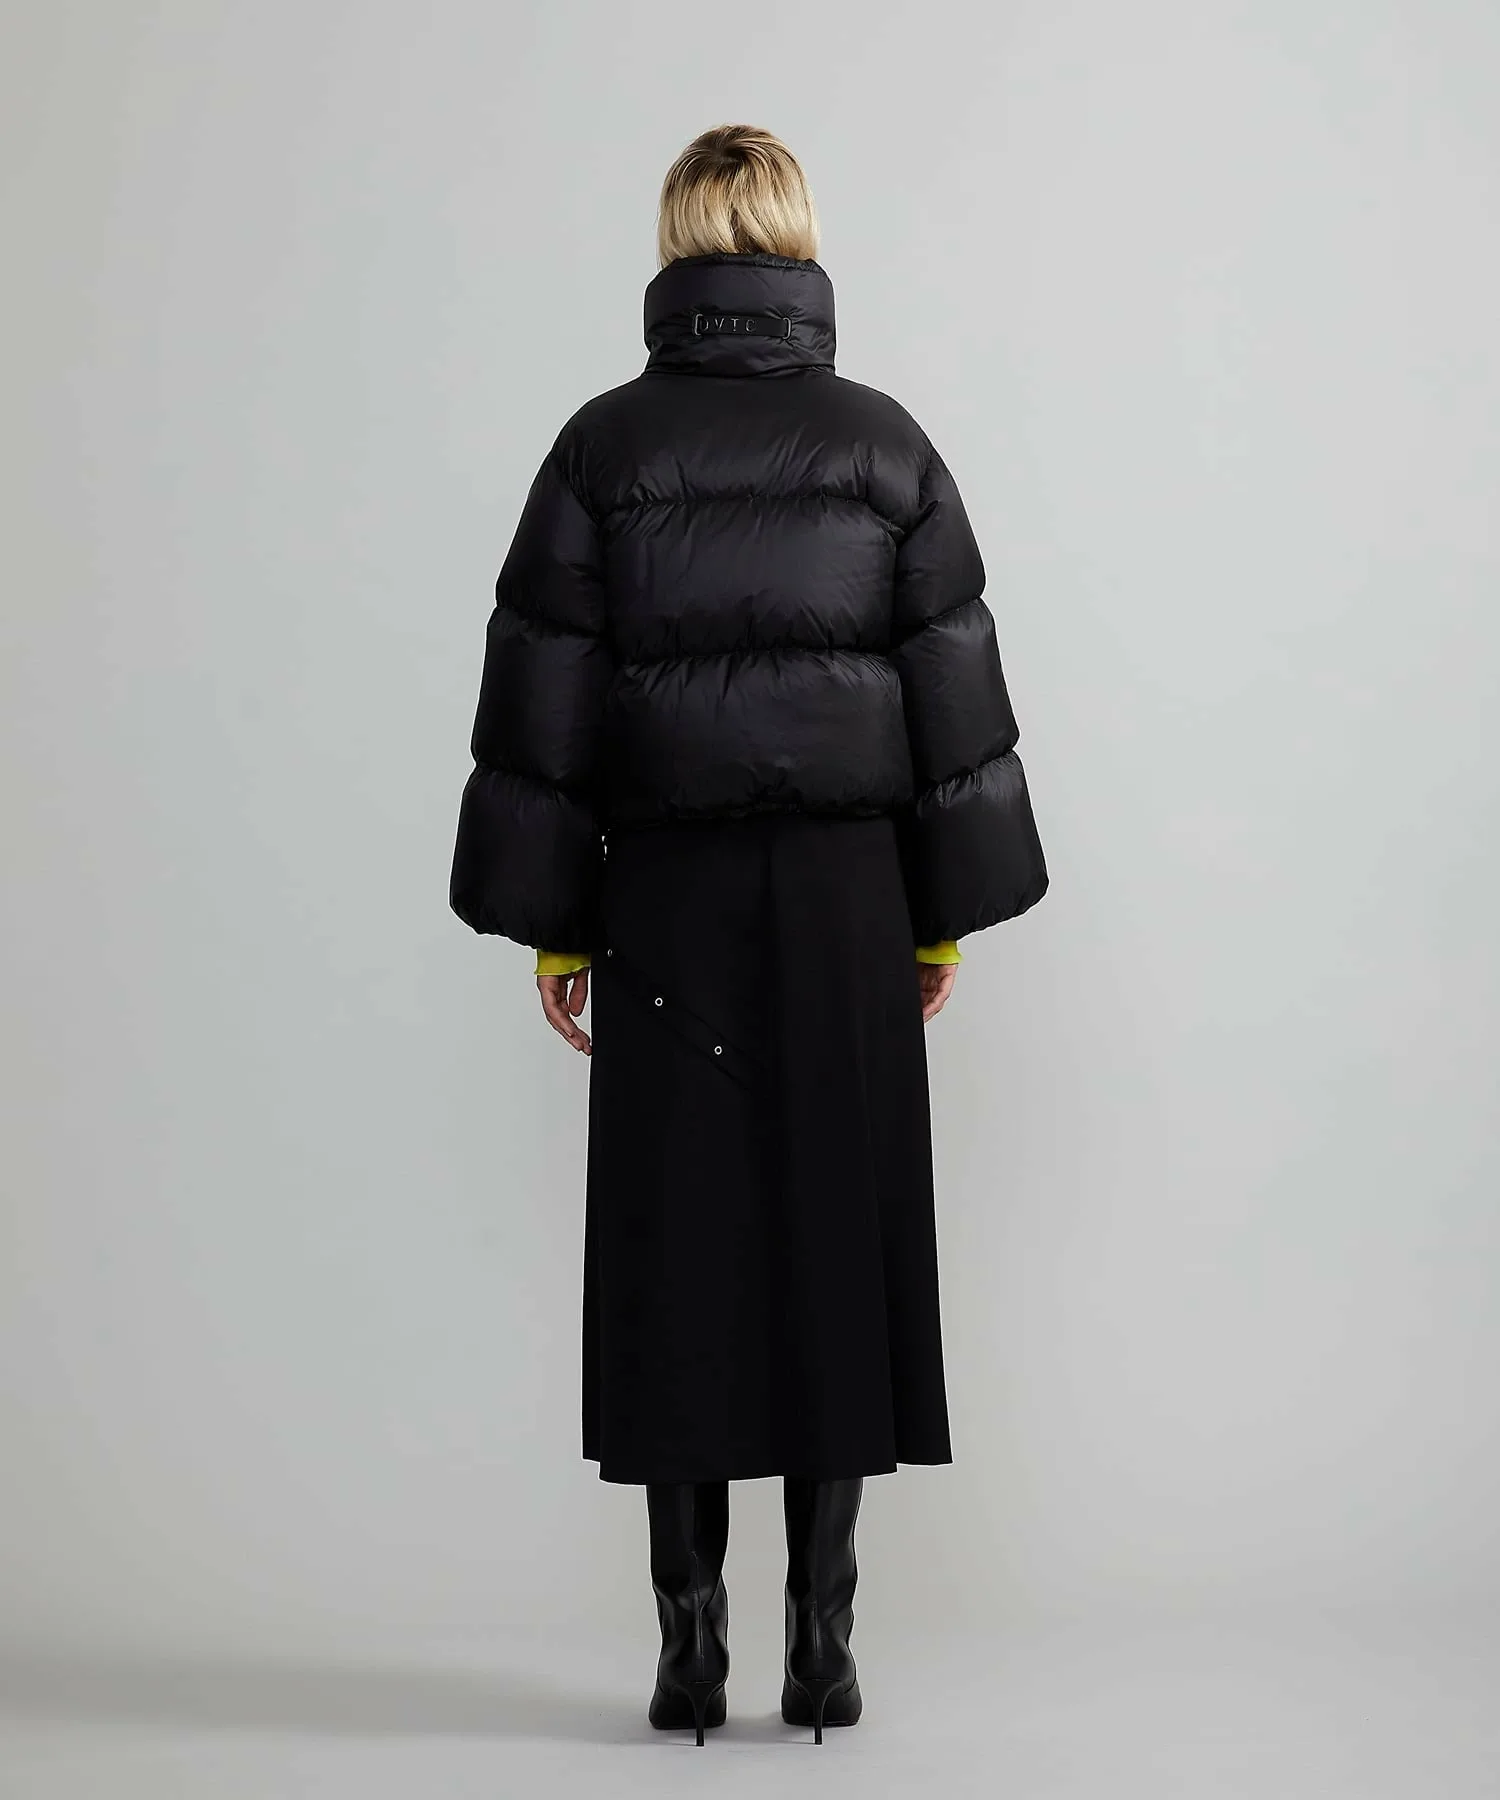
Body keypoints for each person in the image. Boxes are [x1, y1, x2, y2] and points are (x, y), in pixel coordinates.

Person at [449, 124, 1049, 1745]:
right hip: (853, 895)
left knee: (680, 1252)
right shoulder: (887, 447)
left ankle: (687, 1650)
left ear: (674, 248)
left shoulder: (600, 449)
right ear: (797, 240)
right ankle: (824, 1647)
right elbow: (950, 687)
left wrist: (555, 931)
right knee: (835, 1246)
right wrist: (940, 921)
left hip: (665, 905)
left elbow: (545, 691)